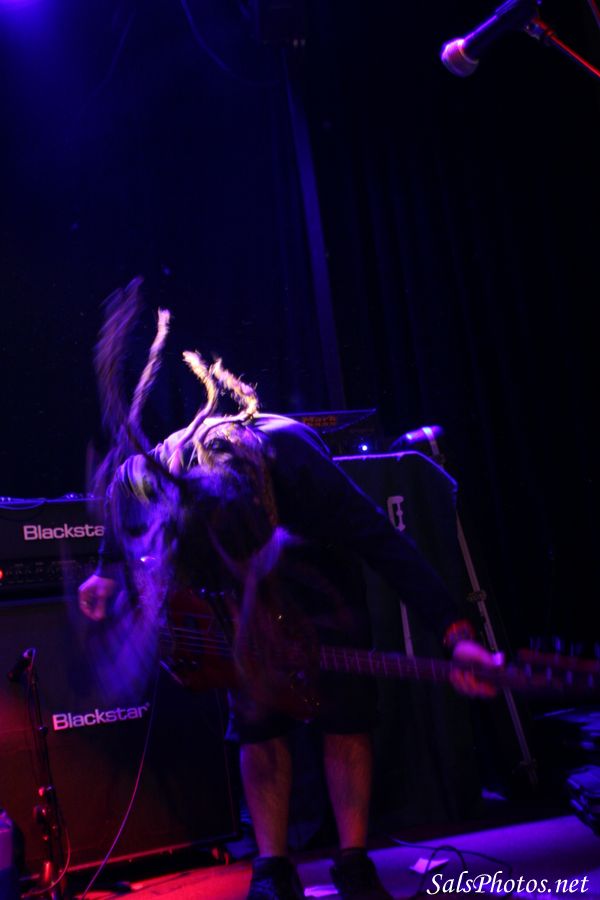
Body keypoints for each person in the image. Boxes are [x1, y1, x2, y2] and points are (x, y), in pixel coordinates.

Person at [79, 282, 502, 900]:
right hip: (233, 599)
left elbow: (386, 545)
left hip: (319, 581)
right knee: (257, 723)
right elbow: (120, 490)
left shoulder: (297, 463)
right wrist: (105, 568)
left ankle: (352, 860)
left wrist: (456, 635)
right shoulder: (172, 463)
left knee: (346, 716)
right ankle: (273, 867)